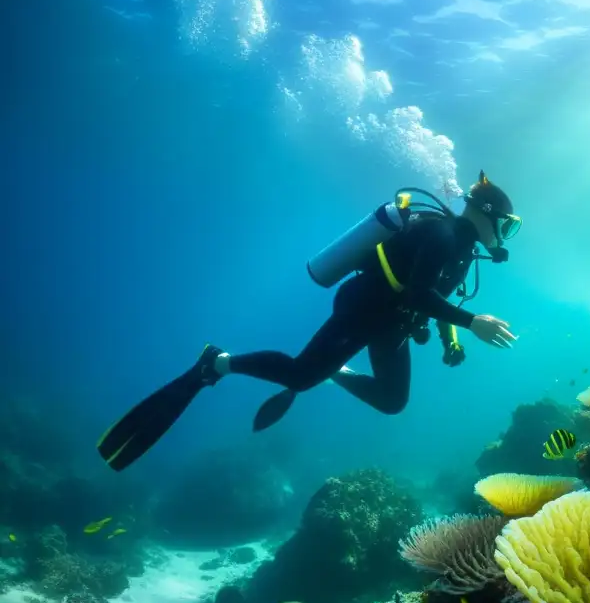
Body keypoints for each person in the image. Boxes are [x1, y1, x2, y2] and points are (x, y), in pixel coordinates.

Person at [97, 172, 521, 472]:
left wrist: (453, 339)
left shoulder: (463, 250)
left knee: (393, 401)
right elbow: (418, 294)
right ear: (489, 214)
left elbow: (435, 295)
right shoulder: (443, 235)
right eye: (508, 225)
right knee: (299, 376)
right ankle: (216, 362)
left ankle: (333, 370)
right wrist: (470, 323)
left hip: (392, 324)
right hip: (364, 309)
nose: (506, 234)